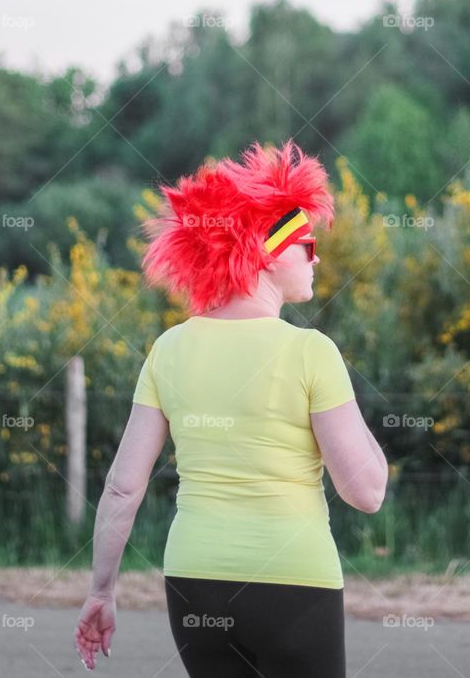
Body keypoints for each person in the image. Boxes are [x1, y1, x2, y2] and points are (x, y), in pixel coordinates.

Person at [73, 140, 389, 676]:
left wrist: (101, 589)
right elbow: (366, 493)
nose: (316, 256)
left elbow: (123, 487)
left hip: (194, 580)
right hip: (295, 580)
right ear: (266, 253)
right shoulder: (310, 351)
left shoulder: (168, 349)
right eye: (306, 244)